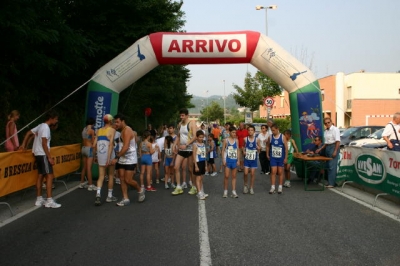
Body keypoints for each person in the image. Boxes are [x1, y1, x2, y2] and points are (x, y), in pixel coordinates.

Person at [26, 110, 61, 208]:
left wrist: (24, 145)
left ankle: (39, 198)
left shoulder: (41, 125)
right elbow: (44, 143)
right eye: (56, 119)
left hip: (37, 153)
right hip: (43, 154)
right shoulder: (45, 128)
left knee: (40, 175)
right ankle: (49, 200)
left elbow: (29, 133)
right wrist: (49, 157)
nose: (56, 121)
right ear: (51, 118)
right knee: (49, 176)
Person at [111, 114, 145, 206]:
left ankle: (140, 189)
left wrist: (116, 158)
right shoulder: (122, 131)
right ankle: (125, 198)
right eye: (115, 122)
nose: (116, 124)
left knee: (128, 180)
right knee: (121, 178)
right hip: (122, 158)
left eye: (117, 122)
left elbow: (126, 147)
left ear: (123, 121)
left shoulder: (127, 130)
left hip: (130, 159)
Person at [172, 108, 198, 196]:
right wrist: (174, 145)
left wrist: (186, 144)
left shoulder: (191, 123)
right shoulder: (180, 124)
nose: (181, 117)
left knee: (190, 169)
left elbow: (195, 136)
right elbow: (178, 136)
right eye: (180, 115)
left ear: (187, 115)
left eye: (183, 115)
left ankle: (194, 187)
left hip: (190, 148)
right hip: (182, 149)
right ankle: (179, 187)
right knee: (176, 167)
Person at [93, 114, 117, 206]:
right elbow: (111, 144)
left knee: (101, 176)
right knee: (111, 175)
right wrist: (108, 158)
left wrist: (95, 156)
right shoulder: (112, 130)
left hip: (100, 154)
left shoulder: (98, 130)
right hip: (109, 154)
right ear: (110, 121)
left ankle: (98, 194)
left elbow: (94, 145)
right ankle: (109, 196)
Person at [316, 117, 341, 188]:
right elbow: (326, 143)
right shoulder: (326, 131)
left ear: (331, 122)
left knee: (332, 166)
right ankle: (329, 181)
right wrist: (320, 149)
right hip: (328, 147)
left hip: (333, 147)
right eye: (326, 123)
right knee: (328, 165)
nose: (327, 124)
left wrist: (335, 151)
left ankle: (331, 183)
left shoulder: (335, 129)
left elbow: (337, 141)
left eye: (328, 122)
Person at [266, 124, 288, 194]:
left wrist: (286, 157)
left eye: (274, 130)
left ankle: (280, 187)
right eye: (272, 130)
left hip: (281, 158)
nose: (273, 132)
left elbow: (286, 148)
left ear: (277, 129)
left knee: (280, 172)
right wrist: (267, 154)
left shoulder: (282, 137)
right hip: (273, 157)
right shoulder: (270, 137)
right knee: (273, 171)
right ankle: (272, 187)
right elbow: (267, 146)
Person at [79, 118, 97, 191]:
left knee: (84, 167)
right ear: (93, 123)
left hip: (83, 148)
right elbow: (93, 141)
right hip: (89, 149)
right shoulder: (92, 131)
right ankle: (90, 184)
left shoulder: (84, 130)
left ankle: (82, 182)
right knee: (89, 168)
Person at [222, 126, 240, 198]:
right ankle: (225, 191)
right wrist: (223, 160)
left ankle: (233, 191)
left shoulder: (236, 140)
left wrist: (238, 160)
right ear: (229, 132)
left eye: (235, 132)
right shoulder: (226, 140)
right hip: (227, 160)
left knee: (234, 176)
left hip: (234, 160)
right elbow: (223, 150)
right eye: (233, 132)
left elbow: (238, 150)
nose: (234, 134)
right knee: (226, 176)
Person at [242, 125, 259, 195]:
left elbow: (259, 147)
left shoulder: (257, 139)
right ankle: (245, 185)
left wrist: (258, 148)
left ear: (254, 131)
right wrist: (243, 151)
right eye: (249, 130)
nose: (250, 131)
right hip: (247, 159)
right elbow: (243, 146)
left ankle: (251, 187)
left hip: (253, 159)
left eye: (251, 130)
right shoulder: (245, 139)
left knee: (252, 173)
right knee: (245, 173)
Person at [192, 130, 208, 200]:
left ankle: (201, 191)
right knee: (198, 178)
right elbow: (194, 155)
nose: (201, 138)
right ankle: (199, 193)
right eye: (200, 137)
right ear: (197, 137)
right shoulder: (195, 145)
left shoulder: (203, 145)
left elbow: (204, 156)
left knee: (201, 178)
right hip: (197, 162)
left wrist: (206, 165)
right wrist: (195, 165)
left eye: (202, 137)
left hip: (202, 162)